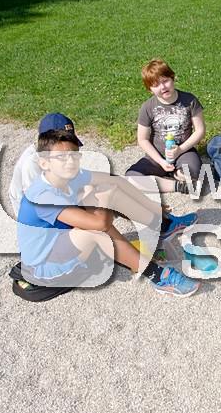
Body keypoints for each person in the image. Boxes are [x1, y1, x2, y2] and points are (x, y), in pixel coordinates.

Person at [17, 119, 201, 297]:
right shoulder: (42, 196)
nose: (70, 162)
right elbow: (101, 225)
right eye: (61, 157)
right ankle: (157, 275)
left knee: (107, 189)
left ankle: (162, 225)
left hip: (62, 243)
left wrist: (151, 205)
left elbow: (116, 180)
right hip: (46, 268)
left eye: (74, 155)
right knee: (97, 228)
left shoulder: (69, 175)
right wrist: (103, 200)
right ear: (44, 163)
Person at [126, 59, 206, 194]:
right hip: (157, 155)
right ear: (150, 89)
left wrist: (180, 150)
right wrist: (161, 161)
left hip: (184, 152)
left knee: (193, 172)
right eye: (156, 85)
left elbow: (200, 130)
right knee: (131, 177)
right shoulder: (147, 107)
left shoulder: (189, 100)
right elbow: (142, 139)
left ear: (173, 78)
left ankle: (173, 175)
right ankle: (177, 186)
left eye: (165, 81)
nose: (163, 87)